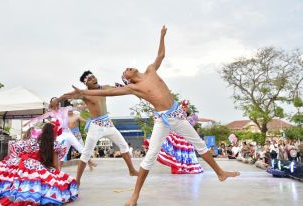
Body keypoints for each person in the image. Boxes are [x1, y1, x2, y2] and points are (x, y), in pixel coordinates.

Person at [69, 25, 240, 206]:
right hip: (163, 120)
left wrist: (162, 36)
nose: (128, 68)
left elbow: (161, 56)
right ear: (127, 79)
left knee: (199, 144)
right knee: (150, 156)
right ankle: (134, 196)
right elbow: (106, 93)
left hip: (178, 115)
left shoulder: (151, 70)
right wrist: (83, 92)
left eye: (128, 67)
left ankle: (220, 173)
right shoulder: (132, 87)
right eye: (125, 70)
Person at [59, 70, 139, 185]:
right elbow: (68, 95)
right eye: (90, 79)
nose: (94, 79)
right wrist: (57, 100)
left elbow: (120, 89)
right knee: (86, 153)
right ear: (86, 84)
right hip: (95, 126)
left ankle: (131, 170)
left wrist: (130, 85)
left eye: (93, 77)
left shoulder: (104, 88)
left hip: (108, 124)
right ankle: (78, 180)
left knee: (124, 146)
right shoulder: (84, 93)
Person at [0, 122, 78, 205]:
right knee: (64, 183)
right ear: (54, 134)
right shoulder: (52, 144)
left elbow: (15, 149)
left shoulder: (31, 141)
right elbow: (56, 165)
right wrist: (57, 177)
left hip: (16, 162)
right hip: (32, 166)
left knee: (6, 179)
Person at [24, 97, 95, 169]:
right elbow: (40, 117)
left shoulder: (65, 109)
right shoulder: (51, 112)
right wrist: (29, 122)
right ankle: (58, 170)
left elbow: (77, 108)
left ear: (58, 103)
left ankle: (89, 161)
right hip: (60, 134)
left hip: (68, 132)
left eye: (57, 103)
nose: (56, 105)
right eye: (54, 103)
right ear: (51, 104)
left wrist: (89, 104)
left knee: (79, 147)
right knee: (60, 153)